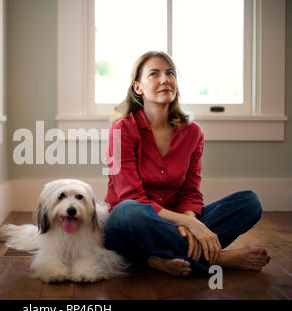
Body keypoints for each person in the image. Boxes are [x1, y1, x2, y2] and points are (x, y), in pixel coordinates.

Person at [104, 51, 270, 277]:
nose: (165, 79)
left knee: (249, 202)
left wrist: (190, 222)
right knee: (127, 213)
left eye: (170, 73)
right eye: (154, 74)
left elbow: (191, 192)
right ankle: (217, 259)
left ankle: (156, 258)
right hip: (133, 224)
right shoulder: (121, 131)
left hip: (175, 223)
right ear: (138, 88)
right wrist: (188, 224)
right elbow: (130, 197)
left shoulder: (193, 133)